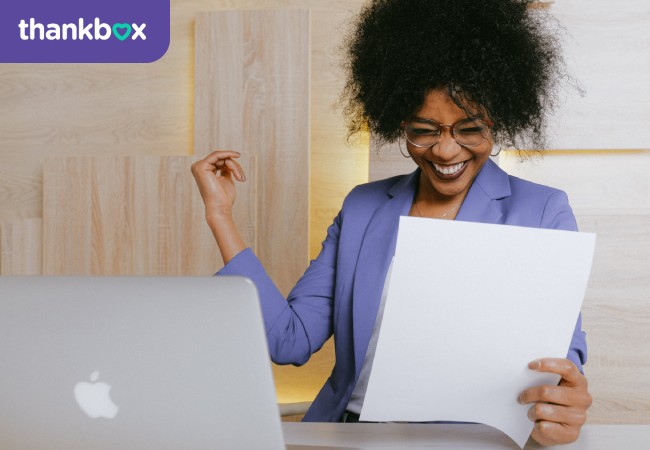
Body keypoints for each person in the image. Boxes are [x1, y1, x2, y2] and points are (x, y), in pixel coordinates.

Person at [191, 0, 591, 445]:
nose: (445, 150)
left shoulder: (541, 212)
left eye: (469, 128)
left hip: (469, 442)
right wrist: (220, 217)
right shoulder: (363, 208)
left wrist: (563, 399)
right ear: (400, 125)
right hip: (348, 436)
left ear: (497, 123)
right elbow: (289, 341)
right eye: (425, 130)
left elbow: (562, 353)